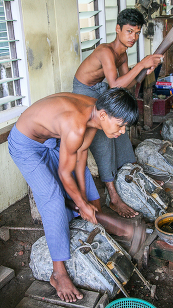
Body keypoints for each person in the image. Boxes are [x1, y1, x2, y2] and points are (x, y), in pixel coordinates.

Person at [8, 88, 138, 303]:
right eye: (121, 125)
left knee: (83, 178)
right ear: (104, 116)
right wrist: (81, 203)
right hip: (26, 144)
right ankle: (58, 272)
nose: (122, 131)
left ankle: (98, 225)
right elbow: (64, 173)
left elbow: (80, 159)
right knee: (53, 198)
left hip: (51, 139)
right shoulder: (76, 124)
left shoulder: (97, 113)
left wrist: (87, 203)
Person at [73, 8, 163, 218]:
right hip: (84, 93)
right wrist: (141, 64)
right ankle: (113, 197)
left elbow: (126, 86)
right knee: (104, 139)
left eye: (137, 33)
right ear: (118, 29)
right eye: (129, 31)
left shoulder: (122, 55)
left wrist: (143, 72)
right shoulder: (106, 51)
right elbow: (114, 84)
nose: (133, 37)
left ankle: (136, 177)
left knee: (121, 133)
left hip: (102, 91)